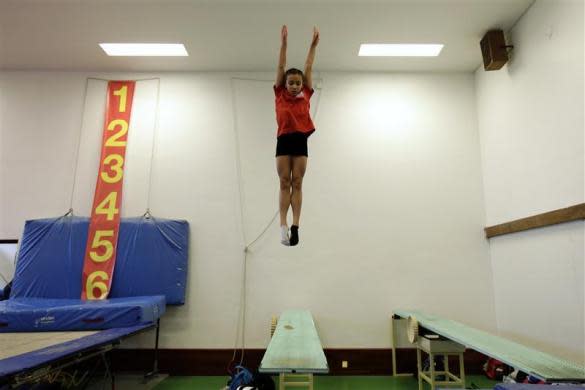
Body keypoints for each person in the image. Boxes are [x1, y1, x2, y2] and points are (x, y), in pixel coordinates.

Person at [274, 25, 319, 246]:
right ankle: (282, 225)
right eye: (290, 83)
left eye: (297, 83)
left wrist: (312, 45)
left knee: (298, 182)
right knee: (284, 182)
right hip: (283, 139)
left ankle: (296, 226)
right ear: (285, 84)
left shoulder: (306, 94)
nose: (293, 86)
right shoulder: (279, 93)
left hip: (300, 139)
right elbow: (281, 65)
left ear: (302, 85)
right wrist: (284, 44)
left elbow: (308, 65)